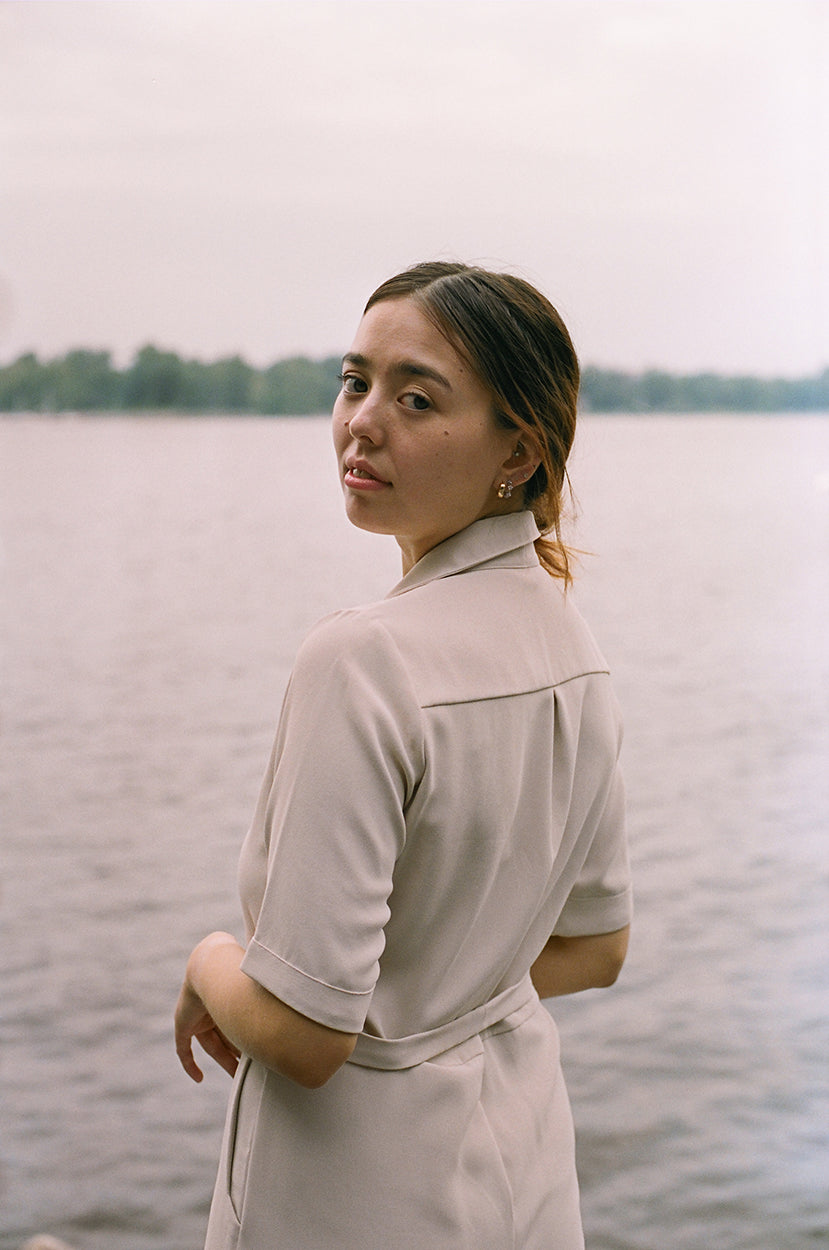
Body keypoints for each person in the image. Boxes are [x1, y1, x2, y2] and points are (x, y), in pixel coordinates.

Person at [175, 261, 632, 1250]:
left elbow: (304, 1033)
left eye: (415, 396)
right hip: (519, 1165)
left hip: (354, 1193)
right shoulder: (575, 651)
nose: (362, 420)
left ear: (518, 445)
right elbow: (595, 947)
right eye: (354, 380)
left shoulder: (361, 658)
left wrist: (212, 960)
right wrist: (444, 991)